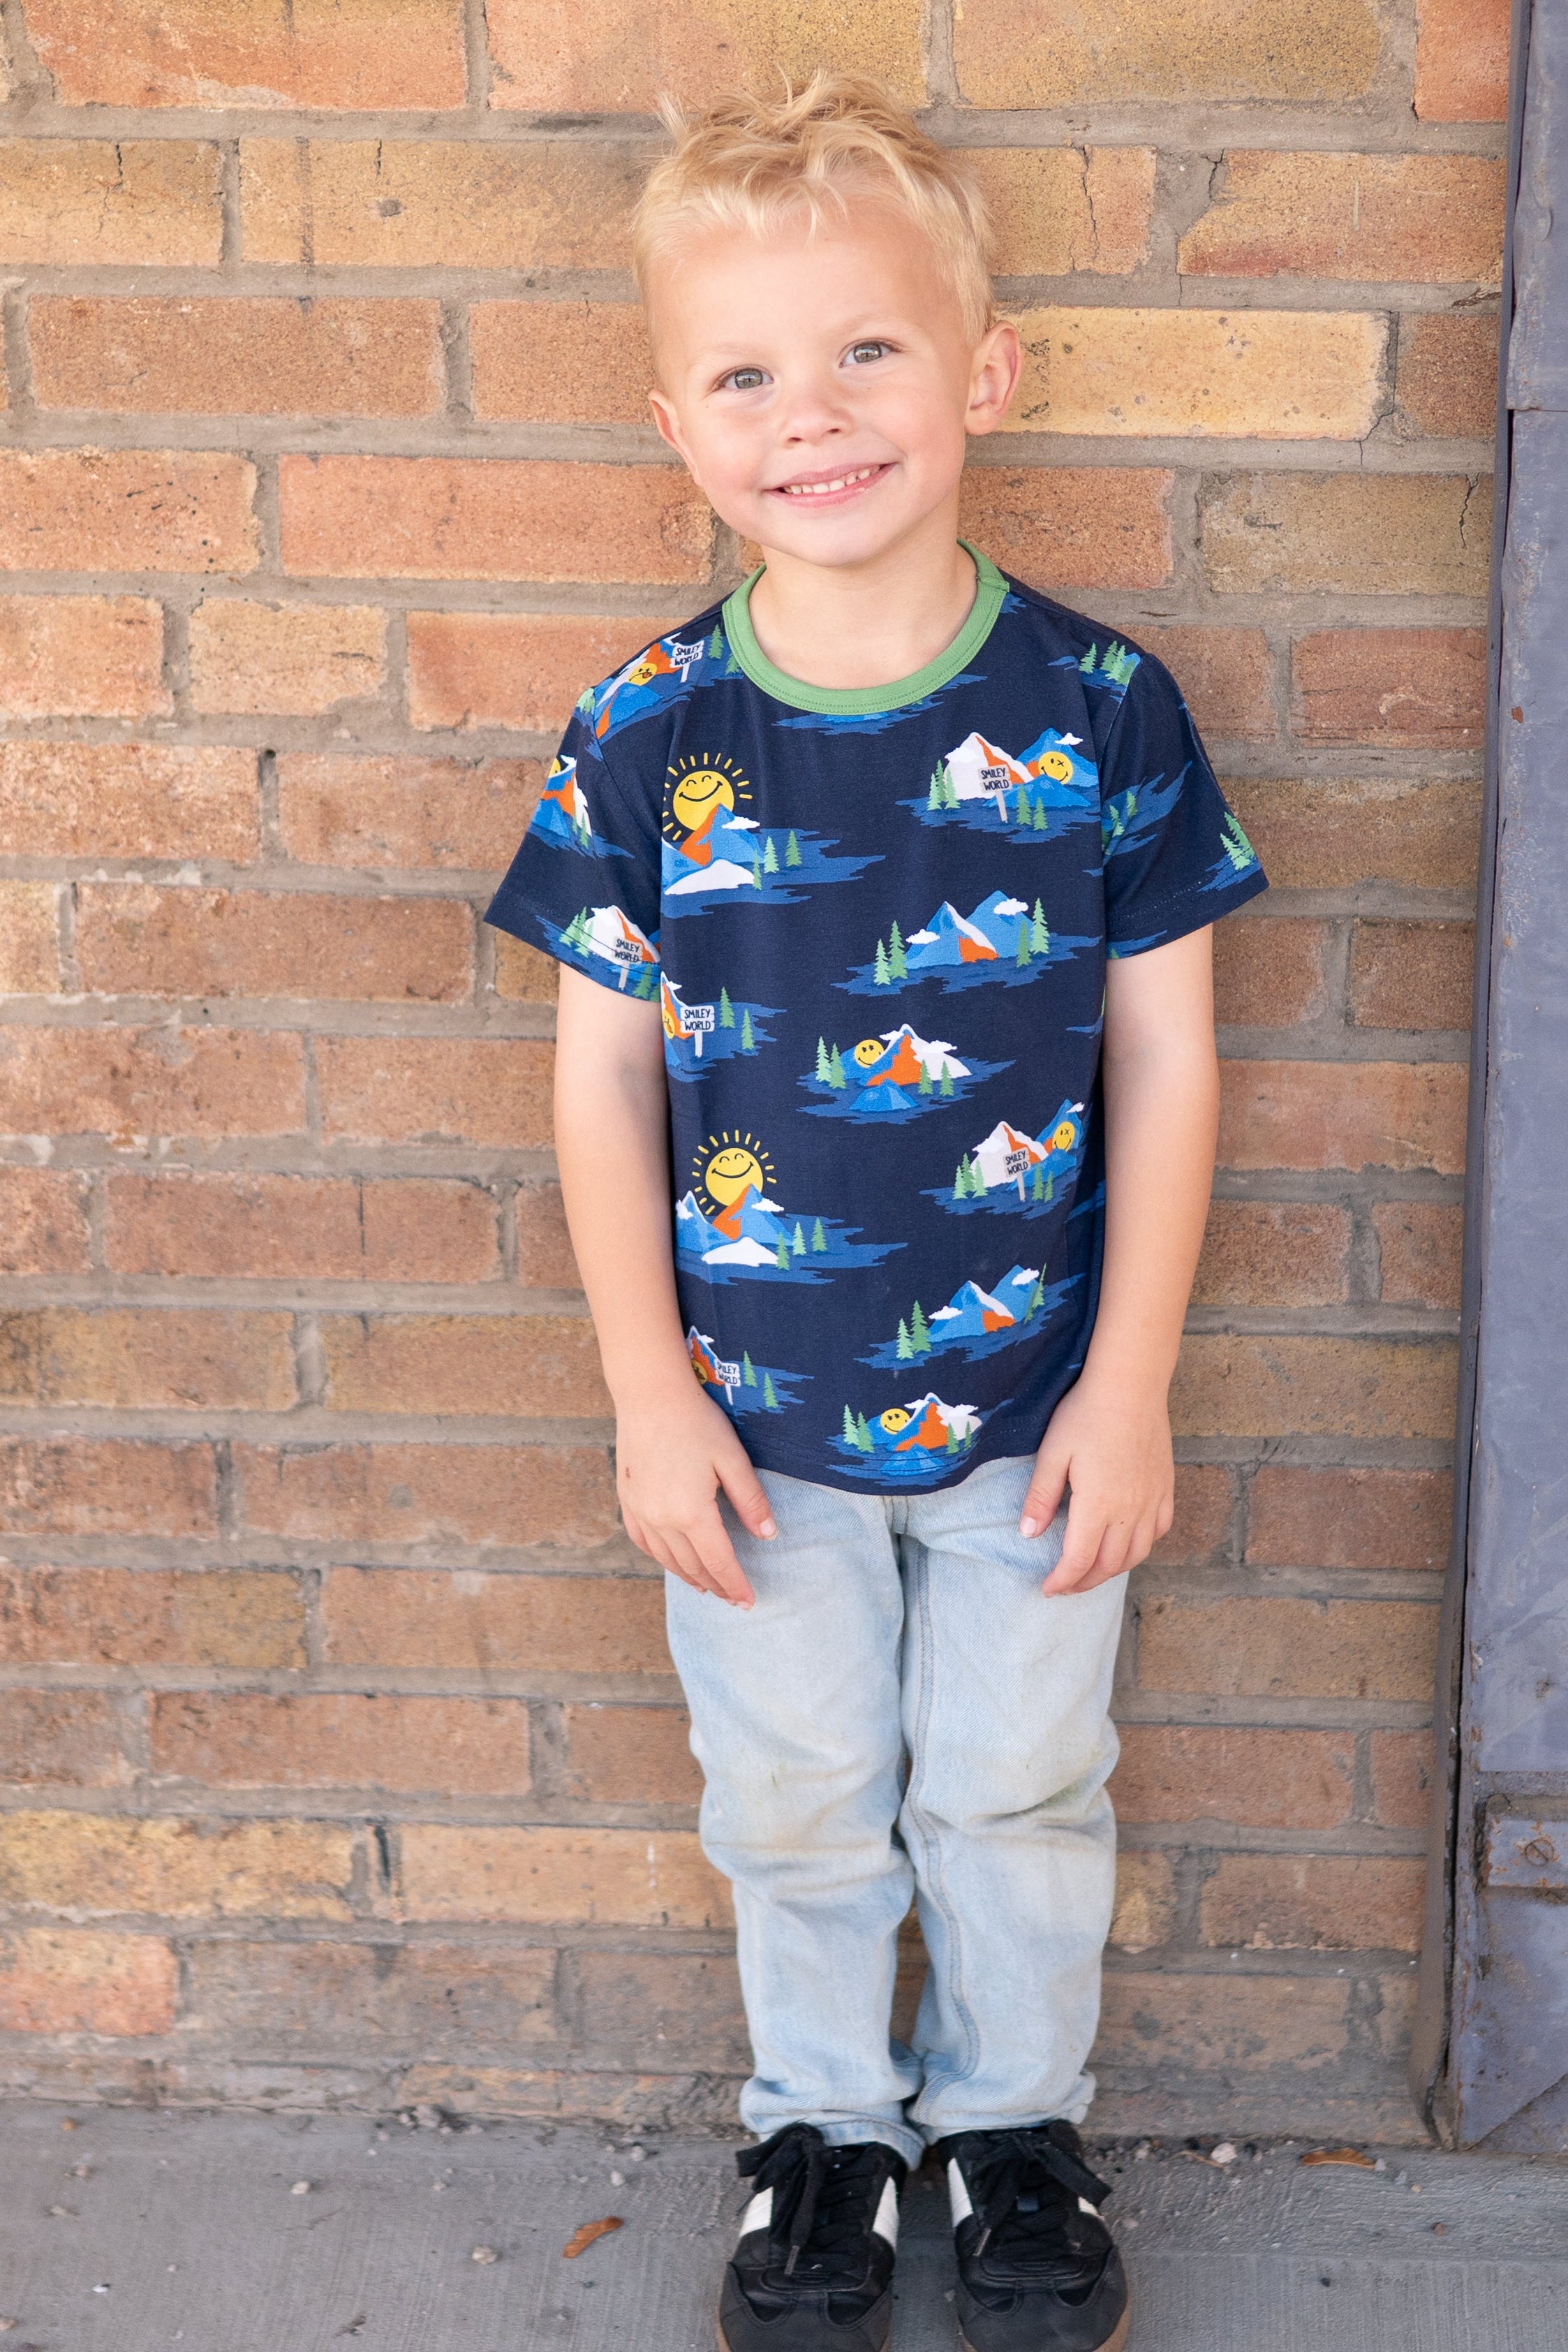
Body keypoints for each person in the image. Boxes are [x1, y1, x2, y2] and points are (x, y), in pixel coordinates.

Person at [486, 71, 1266, 2352]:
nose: (810, 415)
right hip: (750, 1414)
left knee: (1021, 1787)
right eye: (746, 374)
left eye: (867, 352)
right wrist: (647, 1394)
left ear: (985, 375)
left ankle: (1014, 2127)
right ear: (674, 424)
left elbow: (1174, 1056)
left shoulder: (1104, 712)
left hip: (1034, 1405)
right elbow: (600, 1076)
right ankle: (820, 2132)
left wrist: (1128, 1388)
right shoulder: (646, 736)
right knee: (802, 1795)